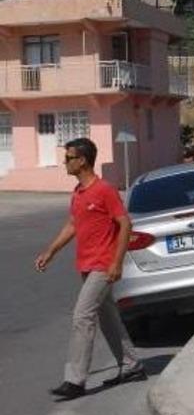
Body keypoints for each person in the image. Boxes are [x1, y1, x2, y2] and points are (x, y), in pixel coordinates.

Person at [35, 138, 145, 401]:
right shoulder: (78, 192)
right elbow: (73, 224)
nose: (65, 163)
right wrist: (51, 251)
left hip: (103, 265)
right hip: (86, 264)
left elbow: (125, 224)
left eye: (68, 158)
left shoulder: (104, 190)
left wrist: (116, 262)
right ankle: (132, 365)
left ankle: (75, 380)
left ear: (82, 160)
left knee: (82, 316)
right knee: (108, 317)